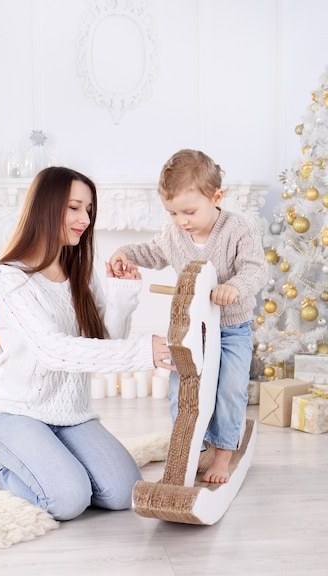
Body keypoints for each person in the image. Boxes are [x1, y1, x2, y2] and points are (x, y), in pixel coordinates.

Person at [0, 166, 174, 521]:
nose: (84, 218)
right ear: (46, 207)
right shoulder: (6, 278)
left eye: (88, 209)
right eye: (74, 207)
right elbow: (53, 350)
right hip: (18, 414)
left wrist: (121, 296)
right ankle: (2, 470)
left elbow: (104, 345)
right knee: (68, 500)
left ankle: (49, 462)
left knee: (122, 491)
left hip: (71, 414)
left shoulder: (78, 274)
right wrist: (146, 350)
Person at [108, 149, 268, 484]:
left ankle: (223, 454)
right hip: (192, 329)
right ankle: (195, 444)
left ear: (216, 197)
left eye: (189, 212)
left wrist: (234, 287)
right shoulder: (173, 233)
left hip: (231, 329)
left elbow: (255, 270)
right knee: (182, 386)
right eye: (173, 213)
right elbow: (153, 251)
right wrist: (127, 253)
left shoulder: (238, 230)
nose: (182, 220)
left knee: (229, 388)